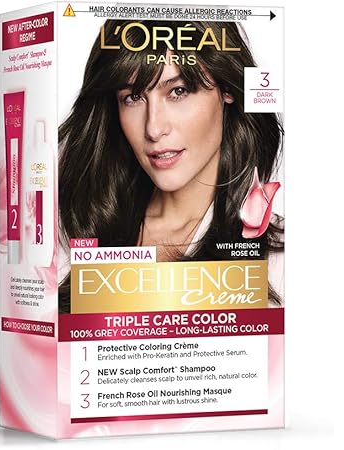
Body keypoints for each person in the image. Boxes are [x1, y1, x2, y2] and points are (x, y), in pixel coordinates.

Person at [58, 20, 284, 312]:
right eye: (133, 97)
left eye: (178, 91)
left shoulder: (279, 257)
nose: (153, 129)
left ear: (227, 89)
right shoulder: (72, 233)